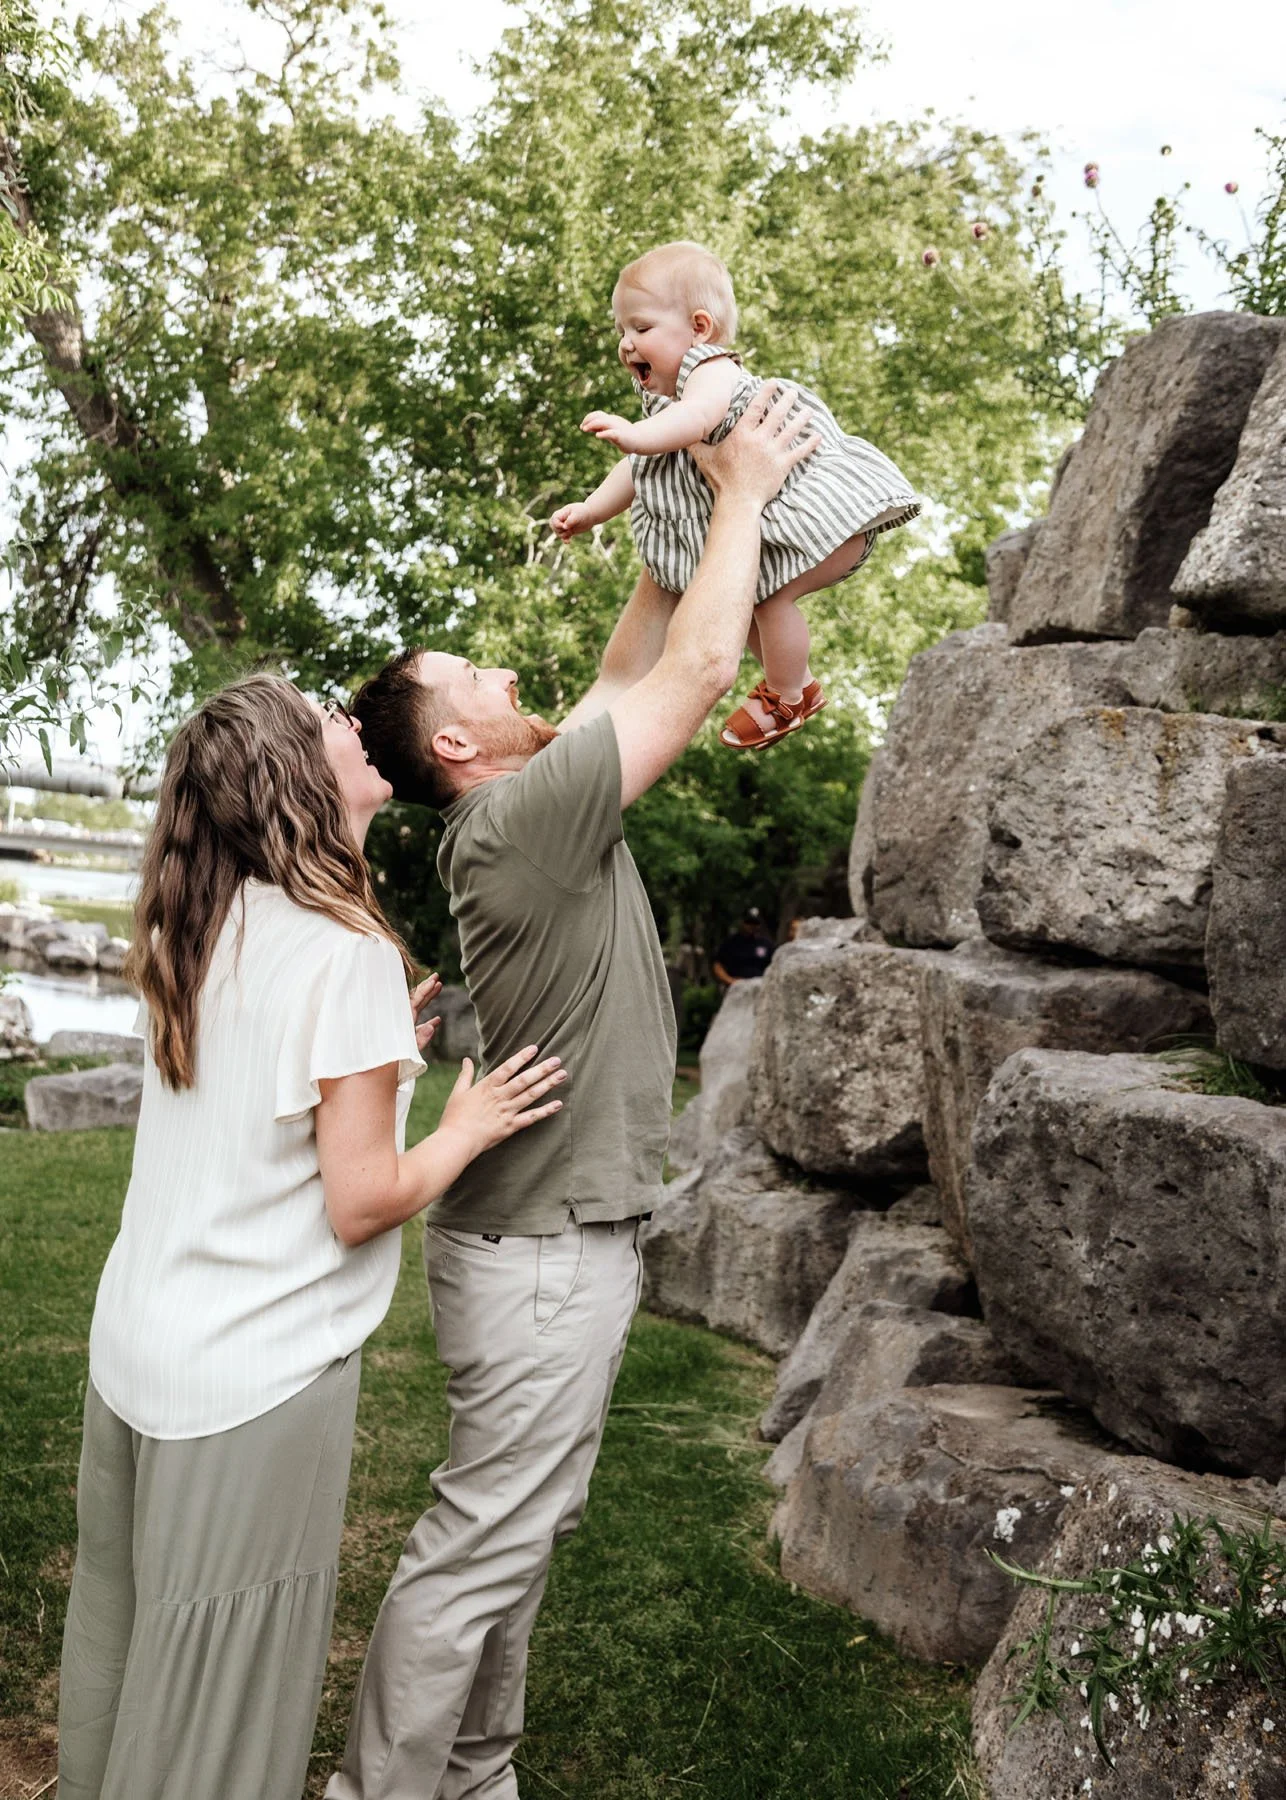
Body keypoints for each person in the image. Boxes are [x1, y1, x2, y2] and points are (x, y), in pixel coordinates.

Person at [326, 384, 819, 1800]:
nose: (502, 675)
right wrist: (743, 489)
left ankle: (474, 1778)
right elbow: (697, 668)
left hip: (552, 1250)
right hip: (539, 1260)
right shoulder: (519, 819)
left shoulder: (526, 796)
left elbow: (635, 663)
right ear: (459, 751)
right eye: (476, 678)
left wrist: (662, 510)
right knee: (481, 1539)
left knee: (517, 1536)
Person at [56, 674, 565, 1800]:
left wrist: (385, 1045)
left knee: (122, 1625)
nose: (351, 723)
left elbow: (261, 1098)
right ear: (294, 775)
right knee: (216, 1688)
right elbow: (362, 1199)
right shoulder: (341, 954)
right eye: (326, 720)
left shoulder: (196, 924)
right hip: (250, 1375)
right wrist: (467, 1127)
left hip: (137, 1345)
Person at [550, 239, 920, 749]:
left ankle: (791, 691)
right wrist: (591, 510)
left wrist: (632, 432)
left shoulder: (709, 371)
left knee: (768, 601)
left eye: (641, 328)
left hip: (818, 520)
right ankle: (792, 686)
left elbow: (692, 423)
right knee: (740, 602)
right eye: (621, 332)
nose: (626, 344)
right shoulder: (668, 407)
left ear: (699, 329)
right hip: (779, 532)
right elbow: (640, 469)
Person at [712, 906, 776, 987]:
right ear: (742, 922)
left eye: (755, 923)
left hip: (760, 987)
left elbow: (774, 966)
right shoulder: (730, 943)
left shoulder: (766, 944)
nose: (752, 926)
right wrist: (730, 981)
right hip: (736, 987)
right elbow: (718, 966)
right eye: (748, 923)